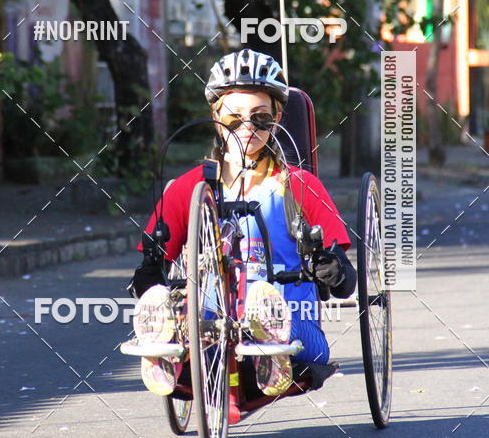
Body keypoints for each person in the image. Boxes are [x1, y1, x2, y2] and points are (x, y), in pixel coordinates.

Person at [129, 49, 356, 410]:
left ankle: (267, 344)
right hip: (210, 323)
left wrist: (330, 267)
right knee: (183, 314)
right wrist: (151, 278)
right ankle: (166, 339)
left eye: (261, 118)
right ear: (216, 117)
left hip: (291, 326)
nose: (248, 128)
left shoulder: (300, 185)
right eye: (234, 118)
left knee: (277, 320)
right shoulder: (188, 189)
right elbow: (149, 267)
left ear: (278, 117)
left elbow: (345, 279)